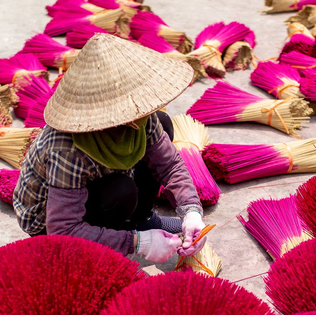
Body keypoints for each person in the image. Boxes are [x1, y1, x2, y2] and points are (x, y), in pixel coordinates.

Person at [13, 33, 207, 263]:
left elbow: (170, 164)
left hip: (93, 192)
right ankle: (109, 244)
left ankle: (140, 220)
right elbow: (63, 230)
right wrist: (137, 242)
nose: (144, 112)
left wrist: (191, 211)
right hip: (51, 224)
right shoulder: (67, 148)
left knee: (163, 122)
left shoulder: (139, 114)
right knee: (121, 191)